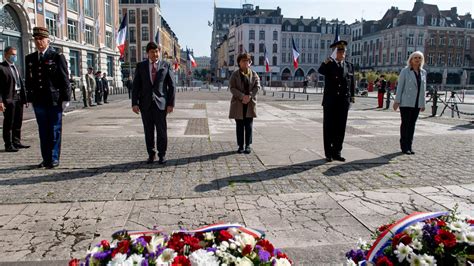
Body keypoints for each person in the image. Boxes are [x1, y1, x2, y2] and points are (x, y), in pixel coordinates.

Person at [25, 27, 71, 168]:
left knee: (54, 130)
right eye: (36, 39)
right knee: (43, 131)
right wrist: (30, 98)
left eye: (41, 39)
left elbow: (64, 79)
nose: (38, 42)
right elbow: (29, 81)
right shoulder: (30, 58)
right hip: (39, 101)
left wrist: (66, 99)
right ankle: (46, 159)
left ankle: (54, 158)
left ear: (47, 40)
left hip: (54, 100)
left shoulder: (56, 57)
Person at [132, 42, 175, 164]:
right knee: (148, 131)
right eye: (152, 52)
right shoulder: (141, 66)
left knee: (162, 131)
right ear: (147, 53)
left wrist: (171, 104)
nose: (155, 54)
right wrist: (134, 103)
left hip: (161, 105)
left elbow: (171, 86)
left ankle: (162, 155)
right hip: (145, 105)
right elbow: (136, 86)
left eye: (157, 51)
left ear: (159, 52)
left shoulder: (166, 65)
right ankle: (151, 154)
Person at [318, 39, 355, 162]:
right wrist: (328, 60)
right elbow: (321, 71)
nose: (341, 53)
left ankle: (337, 152)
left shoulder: (349, 66)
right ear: (335, 53)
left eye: (343, 51)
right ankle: (328, 153)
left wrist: (352, 97)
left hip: (343, 101)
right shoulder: (329, 64)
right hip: (330, 101)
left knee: (340, 128)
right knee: (329, 127)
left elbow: (352, 83)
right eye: (338, 51)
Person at [393, 51, 426, 155]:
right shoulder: (405, 71)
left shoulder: (423, 72)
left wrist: (423, 103)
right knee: (405, 124)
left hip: (416, 103)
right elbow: (400, 87)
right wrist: (397, 101)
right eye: (415, 57)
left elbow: (423, 89)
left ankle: (410, 145)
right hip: (406, 102)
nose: (417, 59)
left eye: (420, 58)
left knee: (412, 125)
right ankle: (404, 146)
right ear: (411, 59)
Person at [228, 53, 260, 154]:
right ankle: (240, 146)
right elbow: (232, 87)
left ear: (250, 62)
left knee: (249, 125)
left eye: (247, 61)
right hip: (238, 103)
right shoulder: (235, 75)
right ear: (239, 63)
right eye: (243, 61)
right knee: (240, 126)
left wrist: (250, 96)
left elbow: (257, 86)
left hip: (250, 103)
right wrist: (242, 96)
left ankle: (248, 145)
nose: (245, 63)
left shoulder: (254, 74)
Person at [0, 46, 30, 152]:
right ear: (6, 55)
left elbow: (21, 83)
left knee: (18, 121)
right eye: (12, 54)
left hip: (18, 98)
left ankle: (16, 142)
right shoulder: (1, 67)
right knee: (9, 122)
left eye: (15, 54)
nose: (14, 56)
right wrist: (0, 101)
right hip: (8, 98)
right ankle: (8, 144)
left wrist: (25, 99)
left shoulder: (17, 67)